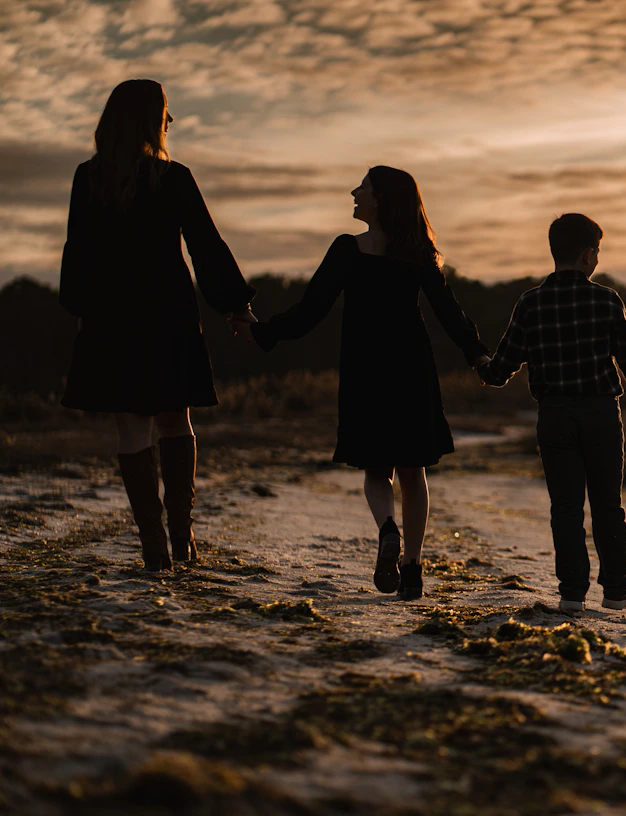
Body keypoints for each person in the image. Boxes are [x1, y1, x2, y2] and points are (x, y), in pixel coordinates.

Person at [232, 167, 489, 601]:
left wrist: (261, 331)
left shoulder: (348, 250)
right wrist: (478, 355)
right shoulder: (418, 253)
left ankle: (387, 529)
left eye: (363, 187)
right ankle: (412, 567)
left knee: (376, 468)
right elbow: (449, 312)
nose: (354, 192)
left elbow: (309, 311)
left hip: (365, 368)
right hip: (411, 367)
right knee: (413, 469)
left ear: (382, 199)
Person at [59, 78, 257, 572]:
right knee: (175, 418)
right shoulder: (174, 177)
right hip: (167, 311)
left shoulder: (89, 177)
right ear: (152, 119)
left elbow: (76, 252)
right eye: (166, 112)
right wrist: (236, 306)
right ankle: (180, 537)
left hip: (111, 316)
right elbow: (206, 246)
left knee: (133, 428)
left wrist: (80, 307)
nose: (170, 122)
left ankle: (155, 549)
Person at [478, 213, 626, 613]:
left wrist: (481, 364)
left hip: (555, 414)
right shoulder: (606, 299)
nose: (597, 258)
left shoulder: (531, 302)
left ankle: (572, 593)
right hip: (600, 412)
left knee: (565, 506)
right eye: (597, 251)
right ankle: (615, 590)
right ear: (586, 254)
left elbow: (502, 367)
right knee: (607, 504)